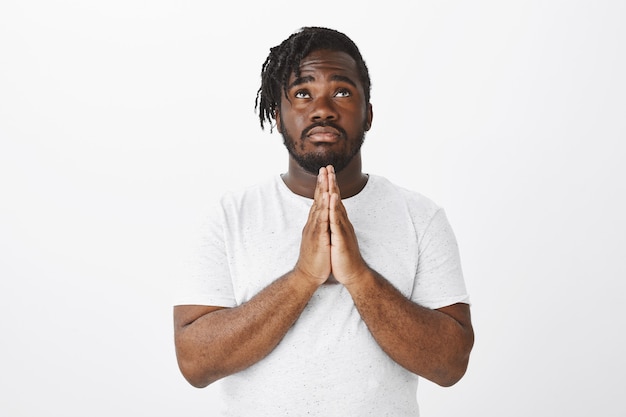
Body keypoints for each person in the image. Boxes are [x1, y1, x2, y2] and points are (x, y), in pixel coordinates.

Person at [173, 26, 474, 416]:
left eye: (342, 91)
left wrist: (359, 277)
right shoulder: (230, 216)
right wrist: (302, 278)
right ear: (278, 117)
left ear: (368, 114)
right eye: (302, 93)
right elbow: (195, 364)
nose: (323, 109)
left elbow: (450, 365)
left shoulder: (420, 216)